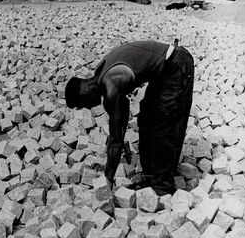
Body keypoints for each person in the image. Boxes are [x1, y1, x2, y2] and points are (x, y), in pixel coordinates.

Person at [65, 40, 194, 196]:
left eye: (83, 104)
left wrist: (108, 178)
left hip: (176, 64)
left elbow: (116, 138)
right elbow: (120, 120)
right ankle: (151, 178)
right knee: (146, 121)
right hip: (162, 71)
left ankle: (162, 186)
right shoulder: (100, 72)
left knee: (162, 123)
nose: (88, 108)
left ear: (84, 93)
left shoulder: (112, 83)